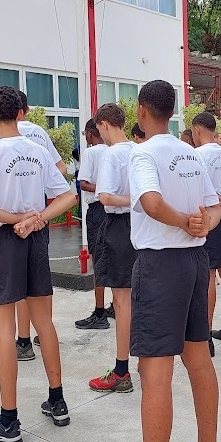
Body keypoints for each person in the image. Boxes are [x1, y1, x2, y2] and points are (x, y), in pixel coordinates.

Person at [108, 80, 221, 442]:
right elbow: (215, 207)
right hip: (196, 264)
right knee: (198, 358)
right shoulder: (190, 151)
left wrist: (183, 223)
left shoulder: (144, 153)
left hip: (160, 266)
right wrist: (201, 226)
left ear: (140, 110)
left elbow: (152, 203)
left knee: (155, 372)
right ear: (173, 111)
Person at [0, 86, 78, 442]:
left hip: (3, 241)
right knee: (43, 321)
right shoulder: (37, 151)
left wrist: (17, 219)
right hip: (35, 239)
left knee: (4, 328)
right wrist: (36, 220)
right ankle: (58, 399)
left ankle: (8, 420)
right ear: (23, 111)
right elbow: (68, 195)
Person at [5, 90, 69, 361]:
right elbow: (62, 169)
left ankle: (22, 342)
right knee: (41, 277)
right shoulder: (40, 134)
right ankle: (44, 334)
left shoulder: (5, 136)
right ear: (26, 109)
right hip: (40, 212)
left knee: (18, 282)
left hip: (14, 217)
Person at [88, 103, 137, 393]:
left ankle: (121, 370)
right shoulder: (138, 149)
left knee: (122, 301)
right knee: (140, 297)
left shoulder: (112, 155)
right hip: (143, 227)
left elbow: (104, 196)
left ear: (105, 124)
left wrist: (131, 200)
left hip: (120, 227)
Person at [192, 112, 221, 350]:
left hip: (211, 218)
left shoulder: (198, 155)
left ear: (197, 130)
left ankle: (206, 334)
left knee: (209, 275)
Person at [74, 119, 113, 330]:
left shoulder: (90, 153)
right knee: (116, 258)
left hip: (98, 210)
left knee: (98, 258)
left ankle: (99, 312)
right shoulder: (114, 149)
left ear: (90, 133)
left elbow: (84, 183)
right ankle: (115, 305)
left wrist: (102, 188)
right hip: (115, 210)